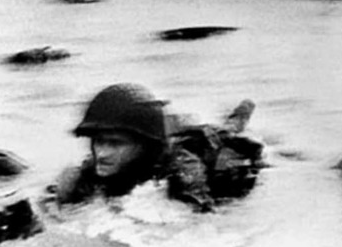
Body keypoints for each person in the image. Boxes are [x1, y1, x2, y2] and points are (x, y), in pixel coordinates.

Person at [39, 83, 264, 214]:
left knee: (228, 134)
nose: (103, 153)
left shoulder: (183, 169)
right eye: (99, 141)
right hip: (166, 134)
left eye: (116, 143)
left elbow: (199, 227)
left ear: (144, 145)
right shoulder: (94, 167)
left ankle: (239, 117)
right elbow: (51, 205)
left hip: (220, 165)